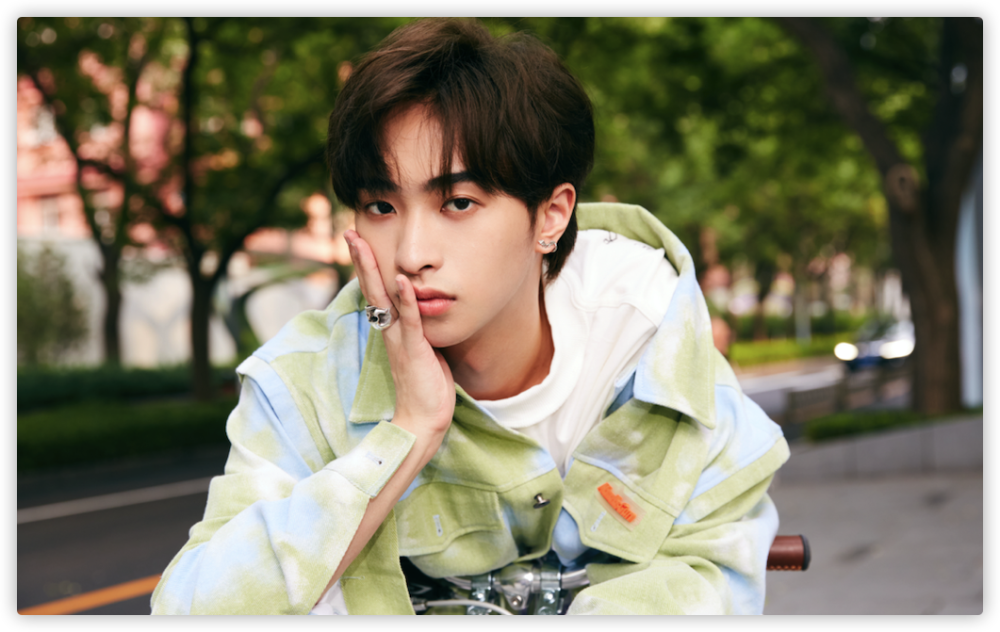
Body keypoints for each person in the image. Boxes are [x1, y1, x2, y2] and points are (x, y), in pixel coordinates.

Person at [151, 18, 788, 615]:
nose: (411, 255)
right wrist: (406, 433)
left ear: (551, 216)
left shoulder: (650, 343)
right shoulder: (308, 381)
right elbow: (193, 602)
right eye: (381, 207)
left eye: (457, 202)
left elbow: (711, 564)